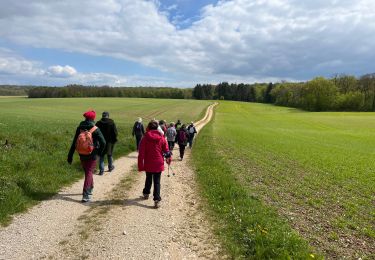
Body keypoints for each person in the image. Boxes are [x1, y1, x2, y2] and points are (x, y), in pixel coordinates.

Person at [67, 110, 106, 202]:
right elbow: (103, 142)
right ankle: (86, 195)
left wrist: (70, 155)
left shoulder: (79, 128)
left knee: (88, 171)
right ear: (93, 118)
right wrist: (99, 152)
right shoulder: (95, 129)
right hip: (92, 154)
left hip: (81, 153)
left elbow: (74, 143)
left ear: (85, 118)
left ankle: (90, 187)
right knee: (89, 172)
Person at [138, 120, 171, 208]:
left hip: (148, 163)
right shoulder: (161, 137)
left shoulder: (145, 138)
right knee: (157, 182)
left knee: (148, 178)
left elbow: (141, 153)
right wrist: (168, 159)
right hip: (158, 163)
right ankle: (156, 200)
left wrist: (140, 165)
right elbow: (167, 150)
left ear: (148, 127)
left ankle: (146, 193)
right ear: (157, 128)